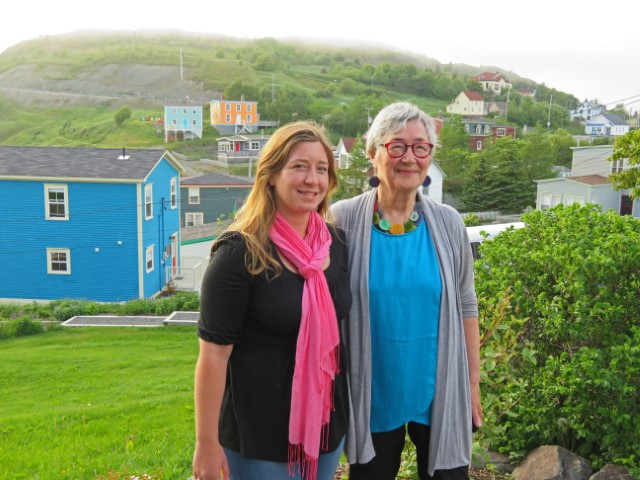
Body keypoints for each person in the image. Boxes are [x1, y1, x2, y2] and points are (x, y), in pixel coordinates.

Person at [331, 102, 482, 480]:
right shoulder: (343, 220)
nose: (409, 158)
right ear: (373, 153)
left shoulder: (448, 224)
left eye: (420, 147)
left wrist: (472, 387)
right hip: (373, 391)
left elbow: (466, 304)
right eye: (396, 146)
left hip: (439, 389)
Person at [192, 121, 351, 480]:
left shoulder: (335, 244)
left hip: (324, 431)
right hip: (258, 439)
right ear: (271, 175)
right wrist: (206, 442)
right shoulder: (239, 253)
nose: (313, 179)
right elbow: (214, 356)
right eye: (299, 166)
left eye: (321, 169)